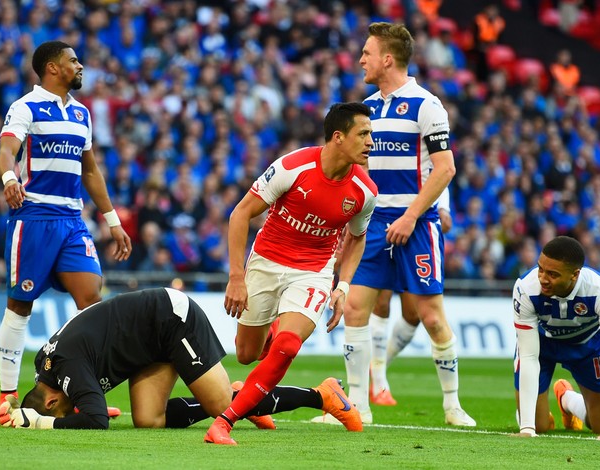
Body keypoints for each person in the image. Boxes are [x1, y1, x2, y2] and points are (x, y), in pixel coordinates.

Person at [314, 22, 475, 427]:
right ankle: (357, 407)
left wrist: (411, 215)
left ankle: (453, 406)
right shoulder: (366, 110)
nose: (361, 60)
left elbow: (446, 169)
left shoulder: (427, 105)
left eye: (367, 53)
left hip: (416, 223)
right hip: (372, 223)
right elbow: (357, 170)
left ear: (388, 58)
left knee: (432, 316)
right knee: (353, 309)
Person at [203, 102, 378, 445]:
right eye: (364, 134)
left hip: (313, 271)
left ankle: (225, 422)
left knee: (287, 345)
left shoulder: (365, 191)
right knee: (246, 354)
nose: (371, 141)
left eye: (371, 134)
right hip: (266, 262)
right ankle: (318, 390)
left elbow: (357, 239)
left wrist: (342, 285)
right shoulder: (292, 167)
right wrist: (236, 277)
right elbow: (240, 215)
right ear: (338, 137)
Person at [0, 287, 362, 432]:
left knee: (222, 405)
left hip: (170, 319)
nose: (72, 409)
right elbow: (81, 401)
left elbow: (94, 419)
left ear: (51, 399)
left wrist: (40, 423)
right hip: (145, 341)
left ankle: (323, 395)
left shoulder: (65, 369)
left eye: (64, 410)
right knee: (148, 420)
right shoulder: (47, 369)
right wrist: (15, 404)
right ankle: (233, 395)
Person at [0, 40, 132, 415]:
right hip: (35, 216)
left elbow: (90, 170)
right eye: (73, 60)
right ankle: (7, 396)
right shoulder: (25, 107)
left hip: (73, 221)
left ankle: (83, 393)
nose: (80, 65)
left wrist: (112, 220)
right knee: (20, 305)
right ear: (53, 68)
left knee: (92, 302)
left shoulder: (82, 114)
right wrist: (9, 177)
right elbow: (6, 151)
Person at [513, 236, 600, 441]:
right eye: (540, 269)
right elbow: (529, 356)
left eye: (553, 274)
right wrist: (527, 428)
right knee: (538, 426)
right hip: (542, 345)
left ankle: (567, 399)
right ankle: (533, 418)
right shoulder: (525, 288)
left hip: (587, 345)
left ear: (575, 275)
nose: (542, 278)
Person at [369, 188, 452, 405]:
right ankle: (378, 384)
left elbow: (437, 171)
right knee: (381, 301)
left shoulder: (432, 155)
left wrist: (443, 208)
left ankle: (378, 364)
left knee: (413, 314)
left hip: (417, 223)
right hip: (382, 216)